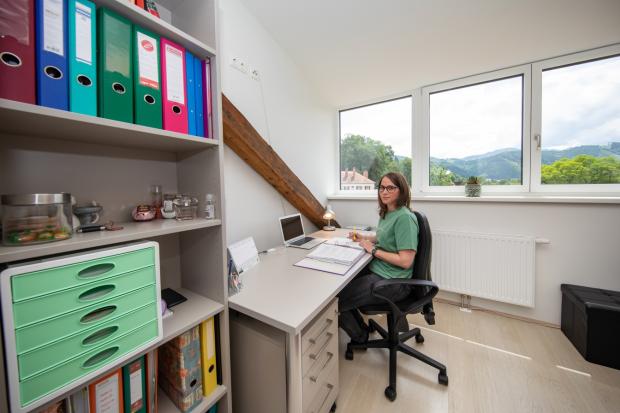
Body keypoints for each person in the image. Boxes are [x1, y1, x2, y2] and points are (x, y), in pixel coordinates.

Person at [338, 171, 419, 345]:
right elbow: (384, 237)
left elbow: (406, 261)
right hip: (381, 271)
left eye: (391, 187)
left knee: (335, 301)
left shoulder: (405, 218)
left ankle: (360, 337)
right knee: (340, 285)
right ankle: (361, 328)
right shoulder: (388, 213)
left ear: (402, 190)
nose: (384, 191)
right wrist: (363, 238)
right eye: (382, 187)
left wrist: (373, 250)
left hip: (394, 282)